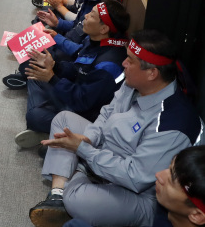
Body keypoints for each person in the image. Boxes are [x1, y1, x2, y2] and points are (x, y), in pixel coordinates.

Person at [29, 30, 203, 227]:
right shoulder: (134, 83)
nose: (123, 64)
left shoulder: (172, 124)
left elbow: (134, 177)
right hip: (109, 152)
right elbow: (107, 112)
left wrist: (83, 151)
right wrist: (90, 139)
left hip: (142, 195)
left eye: (130, 60)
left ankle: (74, 169)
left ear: (152, 73)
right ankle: (57, 196)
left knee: (78, 201)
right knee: (63, 120)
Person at [15, 0, 129, 145]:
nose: (86, 16)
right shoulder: (95, 41)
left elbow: (81, 103)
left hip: (83, 114)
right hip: (75, 91)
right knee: (36, 71)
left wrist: (52, 79)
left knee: (35, 116)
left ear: (104, 29)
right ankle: (51, 128)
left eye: (92, 15)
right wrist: (54, 66)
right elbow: (77, 70)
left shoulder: (109, 65)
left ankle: (51, 127)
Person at [63, 146, 205, 227]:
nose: (159, 175)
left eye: (171, 180)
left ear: (197, 215)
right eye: (169, 168)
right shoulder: (165, 211)